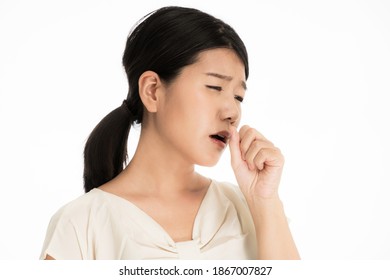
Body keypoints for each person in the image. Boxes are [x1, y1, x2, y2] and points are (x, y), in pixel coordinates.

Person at [40, 6, 300, 260]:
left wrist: (265, 202)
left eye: (238, 96)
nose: (232, 111)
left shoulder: (250, 208)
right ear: (152, 90)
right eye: (214, 87)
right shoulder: (80, 225)